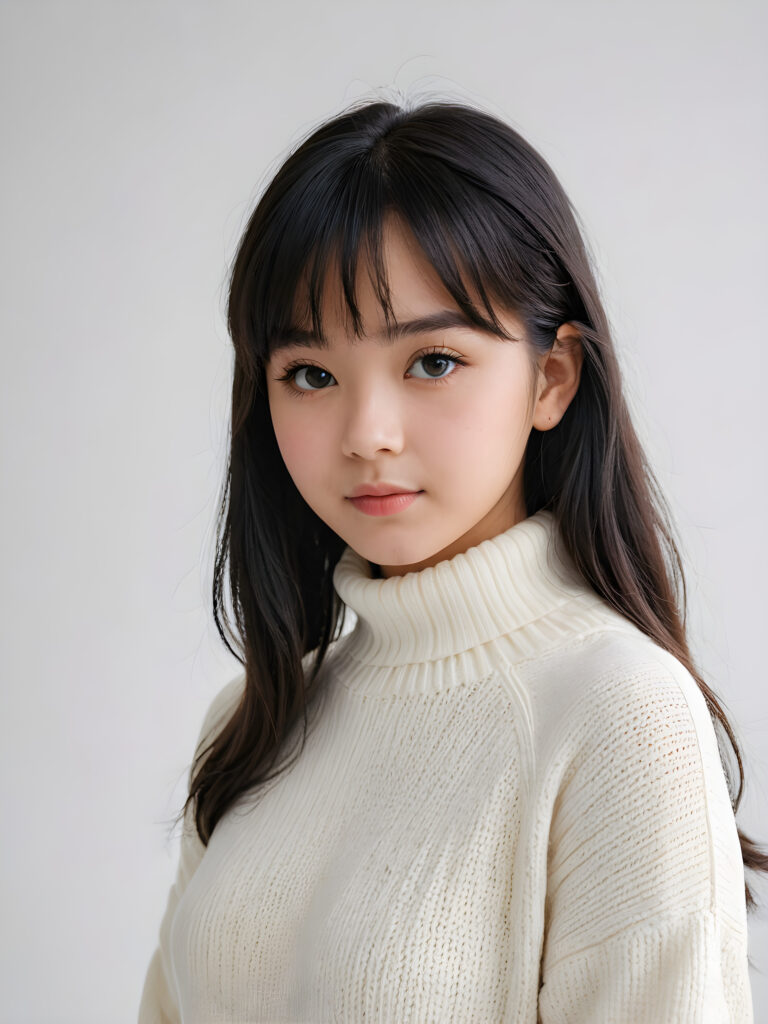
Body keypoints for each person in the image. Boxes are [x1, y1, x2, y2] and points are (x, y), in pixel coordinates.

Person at [138, 96, 764, 1023]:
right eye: (310, 374)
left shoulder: (622, 715)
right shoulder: (253, 720)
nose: (367, 434)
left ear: (552, 378)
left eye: (432, 361)